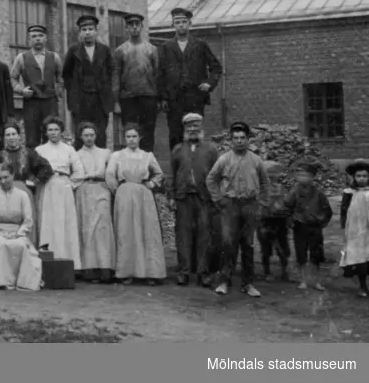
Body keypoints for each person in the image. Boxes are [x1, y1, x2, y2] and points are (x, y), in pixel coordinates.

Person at [206, 121, 269, 297]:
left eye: (243, 138)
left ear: (248, 139)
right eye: (236, 138)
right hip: (230, 205)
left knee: (248, 244)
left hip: (249, 205)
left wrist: (262, 203)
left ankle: (248, 283)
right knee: (228, 243)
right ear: (231, 140)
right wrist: (219, 199)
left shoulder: (256, 160)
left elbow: (265, 182)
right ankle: (224, 281)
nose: (239, 141)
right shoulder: (224, 159)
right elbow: (211, 179)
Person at [107, 123, 166, 286]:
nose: (131, 139)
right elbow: (110, 175)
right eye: (128, 136)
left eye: (134, 136)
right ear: (124, 138)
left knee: (147, 230)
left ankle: (150, 272)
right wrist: (117, 191)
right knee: (126, 231)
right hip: (124, 193)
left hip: (143, 194)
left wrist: (152, 184)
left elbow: (159, 173)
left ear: (139, 138)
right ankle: (127, 272)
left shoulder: (147, 156)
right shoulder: (117, 155)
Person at [157, 7, 223, 149]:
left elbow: (216, 68)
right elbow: (160, 74)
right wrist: (163, 98)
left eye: (184, 21)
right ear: (173, 25)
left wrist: (208, 83)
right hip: (174, 100)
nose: (181, 25)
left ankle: (196, 168)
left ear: (190, 23)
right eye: (177, 22)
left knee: (194, 132)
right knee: (175, 136)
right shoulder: (166, 47)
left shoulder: (200, 45)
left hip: (195, 97)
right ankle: (178, 169)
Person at [167, 112, 220, 287]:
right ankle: (183, 272)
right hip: (183, 198)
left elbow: (217, 175)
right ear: (184, 129)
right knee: (183, 235)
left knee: (204, 235)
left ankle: (203, 273)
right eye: (189, 126)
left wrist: (215, 197)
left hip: (204, 198)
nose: (192, 129)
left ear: (201, 127)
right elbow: (172, 175)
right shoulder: (177, 149)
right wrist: (172, 197)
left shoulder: (211, 150)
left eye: (196, 126)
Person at [0, 165, 42, 291]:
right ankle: (0, 280)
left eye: (6, 177)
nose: (3, 181)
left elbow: (28, 220)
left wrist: (19, 233)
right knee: (1, 244)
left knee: (20, 245)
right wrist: (0, 232)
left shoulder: (23, 195)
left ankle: (21, 281)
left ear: (13, 176)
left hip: (18, 232)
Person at [34, 117, 84, 271]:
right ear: (46, 132)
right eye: (50, 130)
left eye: (56, 130)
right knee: (48, 223)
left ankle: (69, 263)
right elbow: (34, 170)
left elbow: (79, 171)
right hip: (47, 186)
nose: (53, 133)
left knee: (65, 223)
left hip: (64, 187)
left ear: (61, 132)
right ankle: (47, 263)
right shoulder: (40, 150)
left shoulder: (69, 149)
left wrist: (70, 185)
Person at [62, 15, 115, 149]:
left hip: (100, 100)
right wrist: (74, 93)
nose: (87, 32)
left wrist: (107, 91)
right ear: (80, 33)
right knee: (81, 134)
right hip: (81, 101)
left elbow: (111, 72)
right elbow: (66, 74)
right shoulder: (74, 51)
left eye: (90, 29)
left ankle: (100, 167)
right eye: (84, 29)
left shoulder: (105, 50)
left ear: (96, 31)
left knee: (100, 135)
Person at [0, 122, 53, 240]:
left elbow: (46, 168)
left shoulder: (29, 153)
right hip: (3, 191)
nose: (11, 137)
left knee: (26, 220)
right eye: (8, 135)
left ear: (19, 136)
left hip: (23, 189)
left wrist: (35, 181)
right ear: (4, 138)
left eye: (14, 134)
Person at [9, 25, 64, 150]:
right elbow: (13, 78)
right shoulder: (21, 58)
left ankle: (52, 166)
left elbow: (60, 77)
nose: (37, 39)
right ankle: (33, 166)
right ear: (29, 40)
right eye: (34, 36)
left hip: (50, 102)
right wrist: (21, 90)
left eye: (40, 36)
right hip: (31, 102)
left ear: (45, 39)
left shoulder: (54, 57)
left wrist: (59, 89)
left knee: (51, 134)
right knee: (32, 137)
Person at [111, 15, 160, 153]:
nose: (134, 27)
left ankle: (148, 164)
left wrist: (159, 98)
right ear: (126, 28)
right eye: (130, 24)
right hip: (128, 98)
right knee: (131, 131)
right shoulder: (120, 50)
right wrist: (116, 101)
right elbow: (116, 76)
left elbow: (157, 75)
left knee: (148, 131)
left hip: (148, 96)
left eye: (137, 24)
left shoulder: (152, 49)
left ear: (141, 27)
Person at [74, 122, 115, 284]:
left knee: (103, 229)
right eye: (86, 135)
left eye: (91, 135)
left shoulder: (106, 153)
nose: (89, 138)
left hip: (102, 188)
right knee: (88, 228)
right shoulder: (76, 154)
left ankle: (106, 268)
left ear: (96, 136)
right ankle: (89, 269)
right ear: (81, 137)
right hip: (84, 189)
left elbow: (111, 173)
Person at [284, 160, 332, 291]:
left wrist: (321, 222)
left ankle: (316, 281)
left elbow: (327, 210)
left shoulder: (319, 193)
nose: (302, 178)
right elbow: (287, 207)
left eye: (305, 175)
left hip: (315, 227)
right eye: (299, 175)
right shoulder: (294, 192)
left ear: (312, 177)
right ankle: (303, 280)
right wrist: (291, 221)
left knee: (316, 254)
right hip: (299, 227)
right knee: (301, 254)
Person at [257, 160, 292, 283]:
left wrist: (287, 219)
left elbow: (286, 204)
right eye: (268, 173)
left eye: (274, 173)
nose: (272, 176)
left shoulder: (281, 188)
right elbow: (260, 206)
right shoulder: (260, 189)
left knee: (283, 248)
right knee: (266, 249)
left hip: (280, 222)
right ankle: (267, 272)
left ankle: (284, 271)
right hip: (265, 221)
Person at [339, 158, 369, 298]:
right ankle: (362, 286)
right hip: (355, 230)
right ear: (354, 177)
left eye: (365, 176)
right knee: (359, 257)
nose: (361, 179)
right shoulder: (349, 192)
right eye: (359, 176)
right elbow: (344, 211)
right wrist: (344, 227)